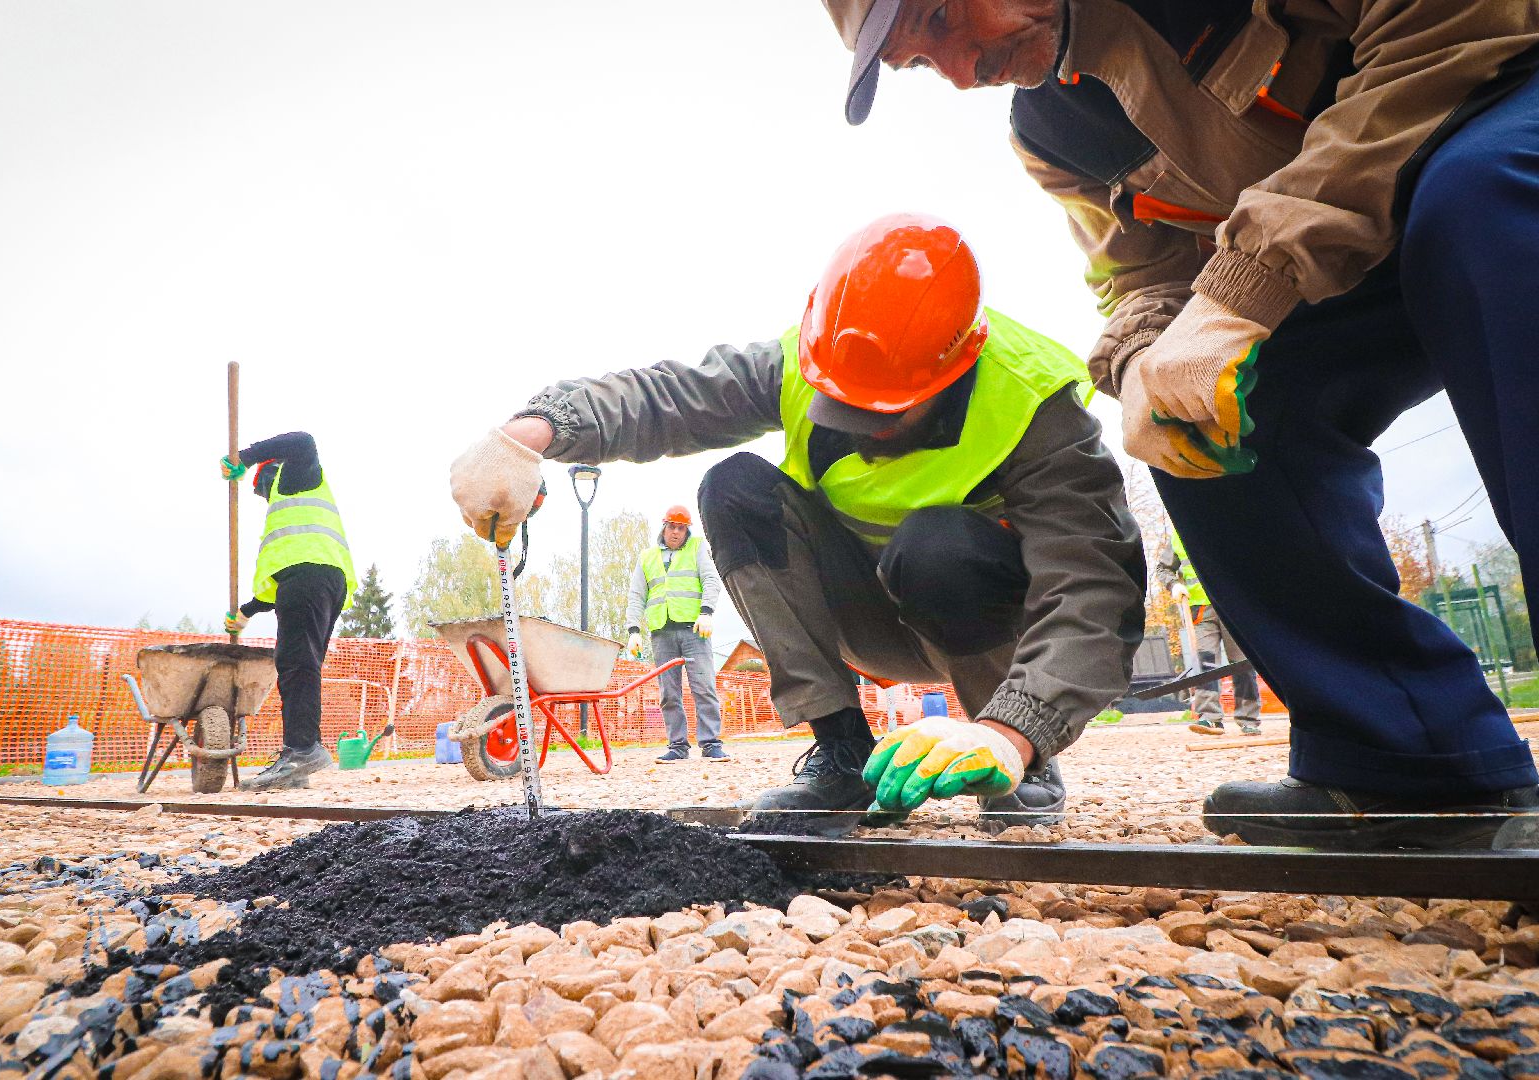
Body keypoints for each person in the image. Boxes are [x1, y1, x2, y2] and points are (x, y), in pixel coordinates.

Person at [817, 0, 1539, 849]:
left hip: (1498, 117)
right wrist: (1141, 363)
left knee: (1484, 200)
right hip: (1343, 256)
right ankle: (1406, 759)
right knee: (1189, 405)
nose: (960, 72)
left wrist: (1245, 284)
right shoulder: (1054, 130)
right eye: (917, 64)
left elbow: (1454, 32)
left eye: (940, 20)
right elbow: (1140, 277)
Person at [449, 213, 1146, 835]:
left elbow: (1092, 593)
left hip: (980, 621)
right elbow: (669, 397)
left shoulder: (1036, 405)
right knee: (734, 488)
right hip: (863, 618)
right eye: (843, 407)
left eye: (883, 413)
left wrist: (1014, 732)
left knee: (936, 543)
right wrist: (533, 431)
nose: (859, 430)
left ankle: (1019, 769)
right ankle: (842, 754)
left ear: (951, 372)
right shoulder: (807, 360)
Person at [220, 432, 356, 791]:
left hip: (309, 576)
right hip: (320, 579)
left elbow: (304, 441)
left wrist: (246, 456)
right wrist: (248, 611)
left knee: (296, 664)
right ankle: (298, 764)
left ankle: (302, 751)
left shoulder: (295, 477)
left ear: (273, 470)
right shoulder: (293, 505)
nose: (264, 495)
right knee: (302, 666)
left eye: (262, 486)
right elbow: (284, 578)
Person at [625, 505, 730, 763]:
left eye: (680, 528)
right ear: (663, 527)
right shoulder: (647, 557)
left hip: (694, 630)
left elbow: (711, 581)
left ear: (687, 530)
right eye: (671, 526)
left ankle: (711, 743)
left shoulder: (696, 549)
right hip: (662, 633)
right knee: (668, 692)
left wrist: (706, 612)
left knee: (704, 687)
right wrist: (633, 630)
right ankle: (678, 746)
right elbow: (637, 594)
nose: (675, 532)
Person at [1161, 529, 1260, 737]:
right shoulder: (1179, 535)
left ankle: (1248, 719)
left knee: (1242, 663)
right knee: (1205, 664)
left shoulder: (1221, 523)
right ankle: (1211, 718)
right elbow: (1163, 568)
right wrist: (1174, 585)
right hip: (1200, 611)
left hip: (1234, 606)